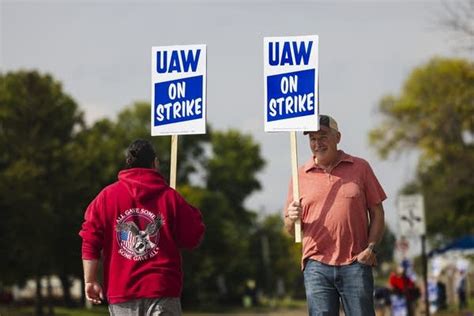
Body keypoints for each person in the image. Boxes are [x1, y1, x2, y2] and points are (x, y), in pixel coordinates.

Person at [79, 139, 205, 315]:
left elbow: (90, 240)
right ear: (155, 163)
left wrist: (90, 279)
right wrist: (184, 211)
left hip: (122, 294)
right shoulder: (170, 198)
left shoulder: (106, 197)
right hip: (162, 290)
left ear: (128, 164)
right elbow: (192, 237)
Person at [284, 115, 386, 316]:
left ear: (337, 137)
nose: (317, 143)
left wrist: (371, 248)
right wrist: (291, 218)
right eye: (312, 138)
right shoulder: (300, 175)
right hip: (316, 265)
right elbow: (288, 227)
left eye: (322, 136)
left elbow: (377, 213)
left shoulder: (360, 167)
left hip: (356, 262)